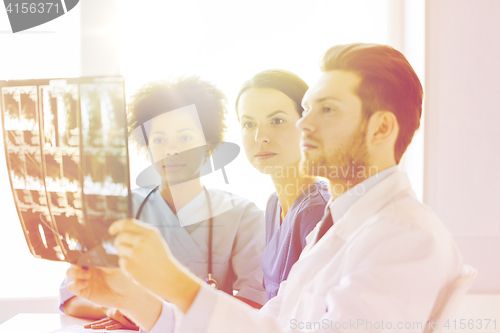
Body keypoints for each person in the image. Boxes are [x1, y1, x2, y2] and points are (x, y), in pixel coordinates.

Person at [67, 43, 465, 333]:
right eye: (307, 109)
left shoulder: (407, 239)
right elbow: (268, 325)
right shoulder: (335, 228)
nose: (304, 125)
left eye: (326, 110)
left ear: (381, 128)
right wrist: (129, 298)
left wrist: (173, 281)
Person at [60, 77, 266, 330]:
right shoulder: (116, 209)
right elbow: (72, 293)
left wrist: (154, 313)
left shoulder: (244, 216)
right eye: (158, 140)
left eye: (186, 138)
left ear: (209, 148)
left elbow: (254, 305)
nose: (171, 150)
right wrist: (117, 308)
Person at [236, 69, 330, 300]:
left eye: (277, 121)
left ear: (307, 125)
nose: (260, 137)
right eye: (248, 124)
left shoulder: (317, 212)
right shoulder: (274, 204)